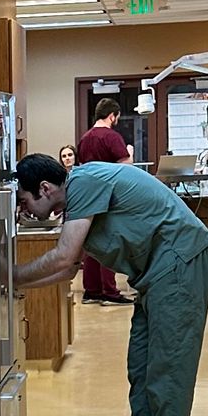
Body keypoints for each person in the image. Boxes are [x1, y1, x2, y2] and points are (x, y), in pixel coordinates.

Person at [14, 150, 208, 416]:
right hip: (155, 275)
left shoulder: (83, 183)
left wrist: (8, 274)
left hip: (178, 264)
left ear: (45, 188)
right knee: (141, 370)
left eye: (24, 201)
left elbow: (62, 256)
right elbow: (67, 269)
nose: (23, 211)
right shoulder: (78, 200)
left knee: (168, 374)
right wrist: (12, 286)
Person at [74, 97, 133, 304]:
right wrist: (130, 153)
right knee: (109, 243)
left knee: (92, 245)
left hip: (88, 196)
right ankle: (109, 292)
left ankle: (92, 291)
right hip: (109, 196)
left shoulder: (85, 138)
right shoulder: (112, 137)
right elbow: (126, 167)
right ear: (112, 115)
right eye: (116, 117)